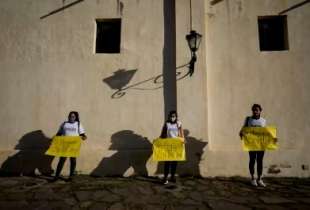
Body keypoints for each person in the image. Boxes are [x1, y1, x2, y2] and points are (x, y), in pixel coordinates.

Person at [53, 111, 87, 181]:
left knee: (73, 161)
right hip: (65, 145)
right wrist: (55, 140)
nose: (71, 118)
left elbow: (82, 134)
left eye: (73, 116)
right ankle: (56, 177)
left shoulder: (78, 124)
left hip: (74, 145)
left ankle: (71, 177)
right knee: (61, 160)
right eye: (70, 116)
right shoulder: (64, 124)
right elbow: (59, 133)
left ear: (76, 117)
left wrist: (84, 137)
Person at [240, 104, 267, 187]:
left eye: (257, 110)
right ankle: (252, 178)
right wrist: (242, 134)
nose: (255, 111)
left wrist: (273, 139)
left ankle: (259, 179)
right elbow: (243, 130)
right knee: (252, 160)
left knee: (260, 161)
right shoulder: (248, 119)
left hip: (261, 145)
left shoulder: (263, 120)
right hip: (251, 144)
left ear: (260, 111)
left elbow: (266, 133)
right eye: (254, 110)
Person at [160, 110, 184, 185]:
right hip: (168, 145)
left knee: (174, 162)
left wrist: (182, 140)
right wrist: (159, 141)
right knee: (167, 162)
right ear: (169, 117)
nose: (172, 118)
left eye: (174, 116)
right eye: (171, 116)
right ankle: (165, 177)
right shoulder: (167, 124)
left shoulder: (178, 123)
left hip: (176, 145)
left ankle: (172, 176)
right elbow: (163, 134)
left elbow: (181, 133)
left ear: (176, 116)